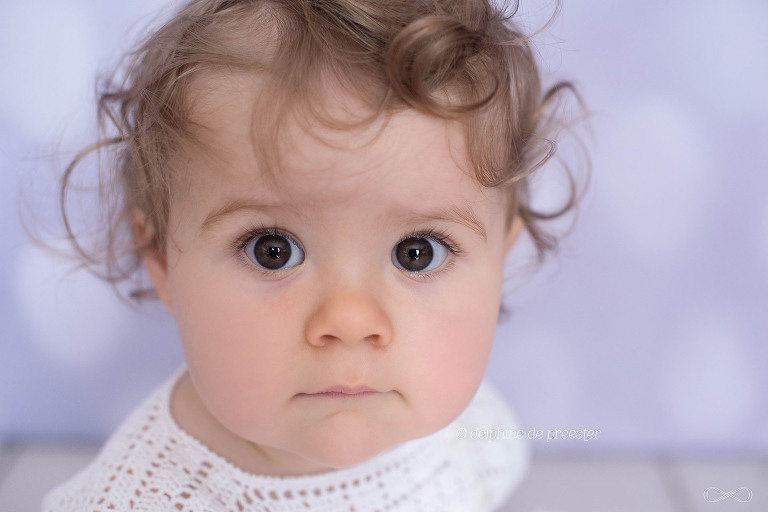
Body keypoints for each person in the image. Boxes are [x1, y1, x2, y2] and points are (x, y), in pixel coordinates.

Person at [42, 0, 580, 510]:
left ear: (499, 262)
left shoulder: (469, 431)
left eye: (417, 253)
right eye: (272, 251)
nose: (349, 320)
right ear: (161, 260)